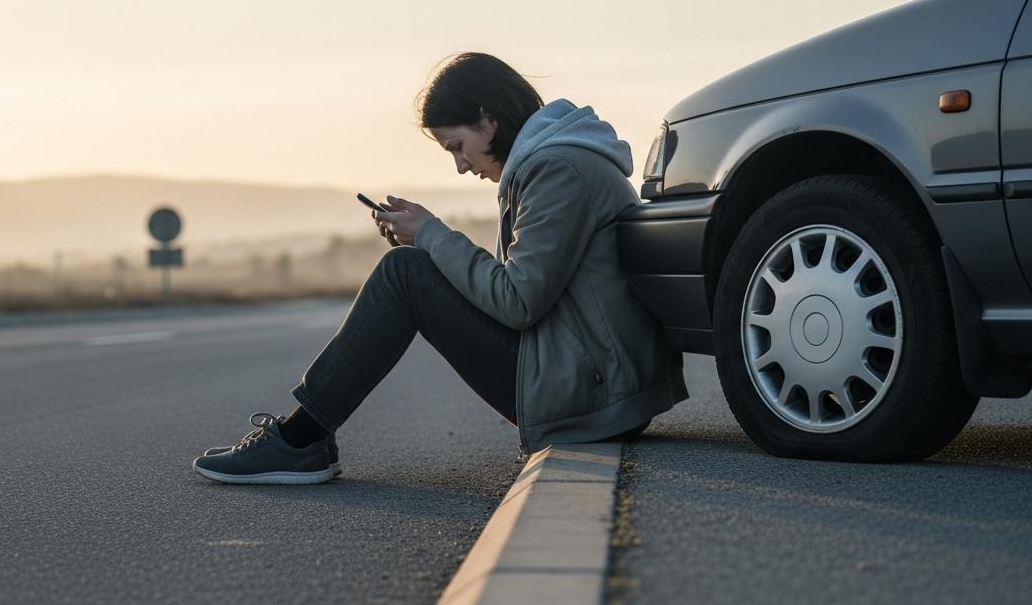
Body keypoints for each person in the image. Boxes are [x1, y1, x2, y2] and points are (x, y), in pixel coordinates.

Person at [191, 52, 687, 485]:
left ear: (487, 120)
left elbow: (517, 302)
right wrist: (430, 245)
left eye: (456, 146)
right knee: (411, 267)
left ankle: (301, 440)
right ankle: (302, 438)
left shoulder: (556, 170)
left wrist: (431, 235)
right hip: (595, 380)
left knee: (403, 273)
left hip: (594, 393)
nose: (461, 166)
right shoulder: (556, 162)